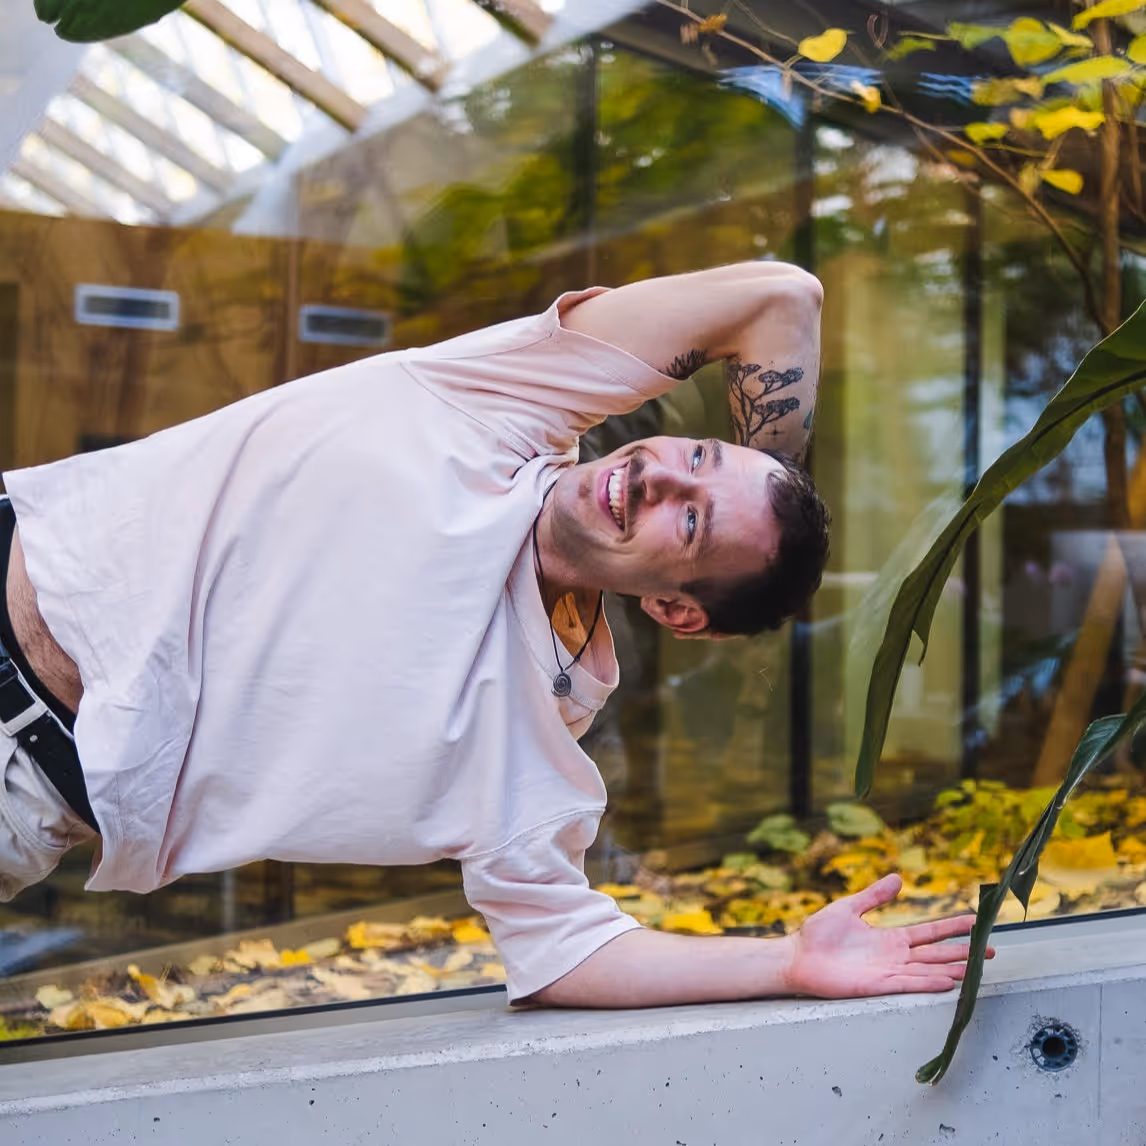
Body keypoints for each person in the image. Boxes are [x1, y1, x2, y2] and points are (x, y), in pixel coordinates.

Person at [0, 260, 986, 1008]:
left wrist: (787, 962)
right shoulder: (507, 403)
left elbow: (566, 949)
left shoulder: (529, 731)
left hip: (24, 787)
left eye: (688, 523)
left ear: (677, 611)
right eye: (693, 455)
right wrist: (769, 479)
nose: (655, 476)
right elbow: (780, 296)